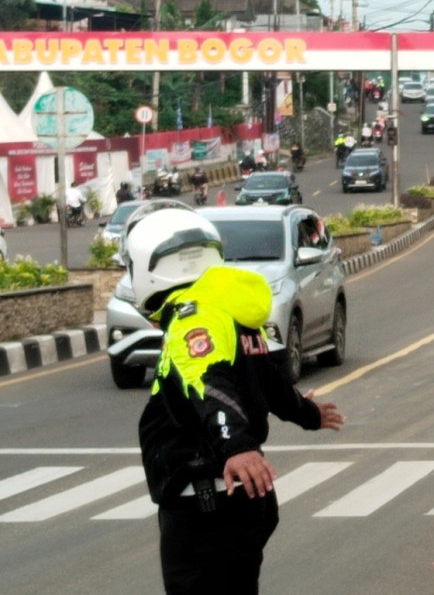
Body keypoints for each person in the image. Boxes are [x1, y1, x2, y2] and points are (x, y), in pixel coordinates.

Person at [127, 208, 345, 594]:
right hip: (240, 500)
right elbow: (269, 381)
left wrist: (238, 446)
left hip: (205, 500)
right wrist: (307, 413)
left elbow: (209, 383)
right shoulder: (232, 314)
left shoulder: (196, 319)